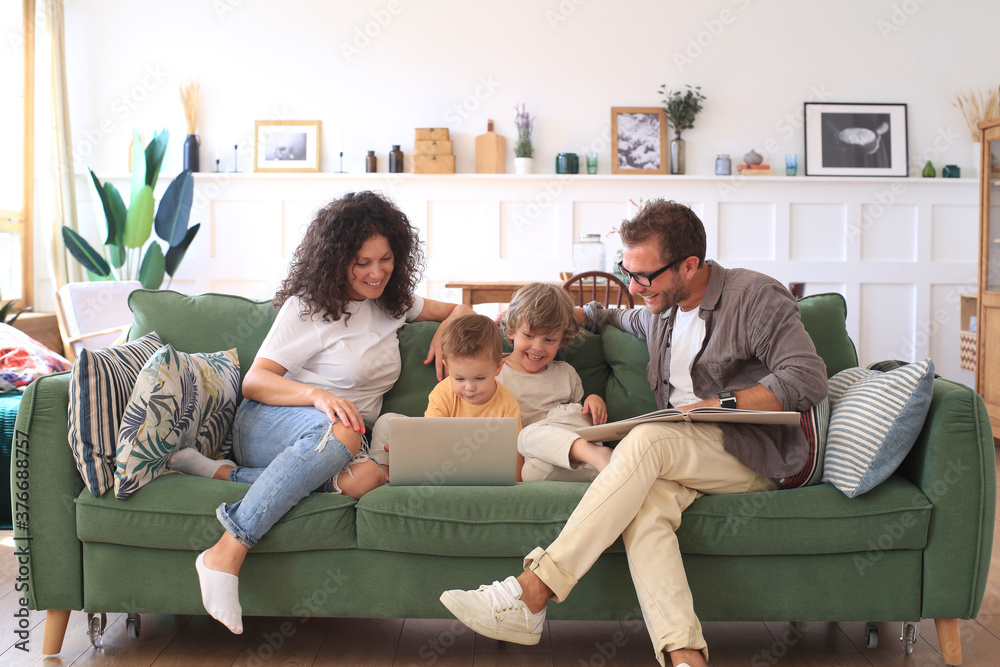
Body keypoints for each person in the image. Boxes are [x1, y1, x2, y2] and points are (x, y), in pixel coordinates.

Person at [439, 199, 828, 667]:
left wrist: (718, 404)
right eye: (627, 271)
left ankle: (531, 591)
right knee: (644, 511)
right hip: (683, 454)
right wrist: (566, 318)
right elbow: (609, 315)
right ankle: (685, 657)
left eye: (644, 276)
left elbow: (806, 377)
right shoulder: (660, 310)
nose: (634, 285)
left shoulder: (753, 297)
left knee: (643, 441)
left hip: (752, 451)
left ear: (689, 265)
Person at [170, 190, 473, 635]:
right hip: (270, 421)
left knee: (366, 478)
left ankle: (222, 474)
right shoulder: (308, 308)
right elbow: (255, 381)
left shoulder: (392, 302)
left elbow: (462, 308)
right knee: (345, 435)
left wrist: (449, 329)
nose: (376, 273)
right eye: (362, 262)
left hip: (338, 438)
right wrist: (316, 395)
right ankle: (226, 550)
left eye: (385, 259)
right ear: (335, 259)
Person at [369, 312, 524, 479]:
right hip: (439, 454)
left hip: (476, 463)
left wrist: (515, 482)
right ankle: (383, 472)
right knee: (387, 421)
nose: (469, 387)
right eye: (459, 378)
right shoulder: (443, 391)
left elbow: (514, 452)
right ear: (447, 368)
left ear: (498, 368)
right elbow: (432, 437)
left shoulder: (507, 403)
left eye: (479, 378)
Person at [498, 282, 609, 482]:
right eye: (529, 335)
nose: (537, 347)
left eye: (549, 340)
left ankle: (597, 456)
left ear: (562, 340)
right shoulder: (496, 372)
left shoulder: (565, 373)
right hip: (540, 455)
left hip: (570, 436)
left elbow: (577, 415)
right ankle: (605, 469)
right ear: (511, 330)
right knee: (530, 472)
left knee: (527, 435)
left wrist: (593, 400)